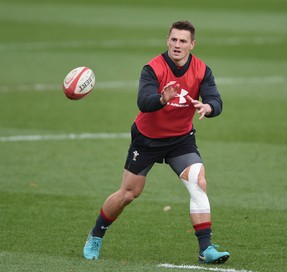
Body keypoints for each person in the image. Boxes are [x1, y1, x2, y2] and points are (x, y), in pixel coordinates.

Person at [83, 20, 230, 264]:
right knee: (129, 194)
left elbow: (216, 99)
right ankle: (96, 234)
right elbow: (144, 102)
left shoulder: (202, 70)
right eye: (173, 39)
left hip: (181, 139)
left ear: (192, 45)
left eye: (183, 41)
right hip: (147, 140)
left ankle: (206, 248)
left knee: (198, 180)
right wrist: (163, 98)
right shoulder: (153, 68)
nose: (177, 45)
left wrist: (209, 106)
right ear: (167, 40)